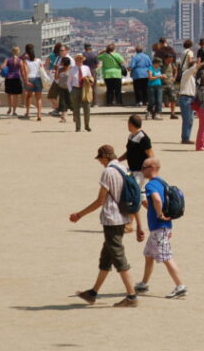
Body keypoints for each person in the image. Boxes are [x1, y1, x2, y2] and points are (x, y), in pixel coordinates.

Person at [69, 145, 145, 307]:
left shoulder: (108, 172)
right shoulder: (124, 169)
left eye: (100, 159)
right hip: (124, 216)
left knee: (118, 257)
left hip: (112, 219)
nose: (100, 163)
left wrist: (79, 214)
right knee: (106, 257)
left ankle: (131, 296)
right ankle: (93, 293)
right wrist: (137, 223)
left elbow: (100, 201)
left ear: (104, 157)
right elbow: (136, 196)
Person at [132, 157, 187, 298]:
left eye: (144, 167)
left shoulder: (150, 185)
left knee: (166, 257)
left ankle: (180, 286)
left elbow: (156, 199)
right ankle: (144, 284)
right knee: (148, 254)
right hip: (162, 227)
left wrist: (159, 214)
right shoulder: (162, 183)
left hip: (159, 227)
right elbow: (157, 202)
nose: (142, 170)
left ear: (152, 168)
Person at [177, 57, 204, 144]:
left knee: (190, 119)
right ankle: (185, 138)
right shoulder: (186, 73)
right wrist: (203, 62)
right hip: (185, 98)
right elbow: (194, 68)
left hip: (190, 98)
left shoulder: (192, 77)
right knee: (187, 119)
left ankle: (186, 137)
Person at [119, 114, 154, 188]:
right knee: (139, 194)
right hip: (132, 170)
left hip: (140, 172)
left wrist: (149, 171)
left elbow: (151, 155)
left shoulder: (143, 138)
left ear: (131, 124)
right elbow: (129, 152)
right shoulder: (131, 136)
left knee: (134, 191)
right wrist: (118, 159)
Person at [68, 54, 94, 133]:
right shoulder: (72, 69)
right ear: (75, 61)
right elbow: (69, 81)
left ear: (82, 60)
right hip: (76, 89)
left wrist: (88, 80)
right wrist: (71, 91)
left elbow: (90, 78)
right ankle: (78, 127)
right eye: (77, 60)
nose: (79, 61)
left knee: (87, 108)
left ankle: (87, 126)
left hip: (85, 89)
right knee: (76, 109)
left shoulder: (86, 68)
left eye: (80, 60)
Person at [3, 47, 23, 116]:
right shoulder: (20, 60)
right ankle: (14, 111)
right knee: (15, 96)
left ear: (12, 52)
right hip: (16, 78)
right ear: (18, 52)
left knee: (9, 94)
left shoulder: (8, 59)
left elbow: (2, 67)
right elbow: (22, 71)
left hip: (8, 78)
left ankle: (9, 108)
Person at [54, 57, 72, 124]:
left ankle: (75, 116)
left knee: (71, 103)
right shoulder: (60, 69)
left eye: (62, 62)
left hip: (69, 89)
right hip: (61, 88)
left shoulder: (71, 69)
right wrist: (57, 70)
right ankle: (63, 118)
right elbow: (56, 77)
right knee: (62, 103)